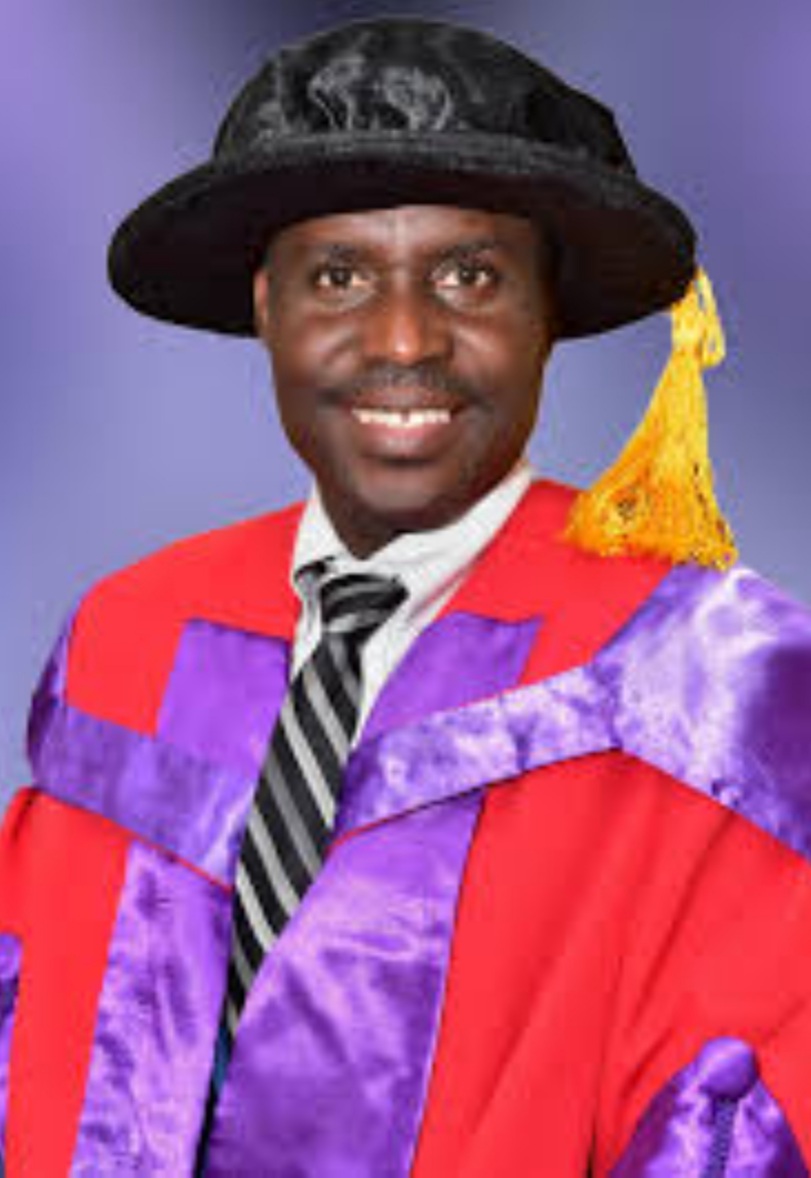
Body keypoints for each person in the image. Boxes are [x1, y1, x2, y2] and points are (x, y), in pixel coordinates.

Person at [2, 16, 810, 1176]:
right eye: (337, 277)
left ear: (546, 314)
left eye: (469, 276)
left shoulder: (701, 671)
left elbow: (749, 1106)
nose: (402, 339)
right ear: (266, 307)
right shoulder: (131, 635)